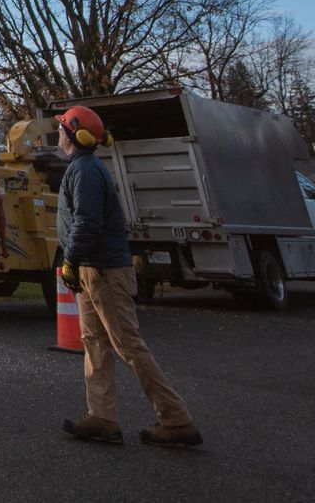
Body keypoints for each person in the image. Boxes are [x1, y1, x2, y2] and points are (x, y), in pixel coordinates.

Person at [55, 104, 202, 449]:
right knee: (94, 343)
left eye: (62, 129)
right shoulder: (81, 168)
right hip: (92, 270)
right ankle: (103, 417)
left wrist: (71, 260)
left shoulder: (86, 172)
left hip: (103, 271)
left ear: (76, 135)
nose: (58, 134)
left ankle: (176, 419)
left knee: (127, 345)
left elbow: (87, 222)